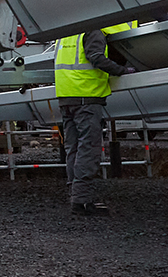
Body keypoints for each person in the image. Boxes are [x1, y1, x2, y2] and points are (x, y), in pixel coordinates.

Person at [54, 22, 138, 216]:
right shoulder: (93, 30)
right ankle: (82, 201)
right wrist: (122, 71)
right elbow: (96, 58)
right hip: (86, 97)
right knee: (88, 149)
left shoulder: (66, 32)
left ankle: (77, 198)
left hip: (66, 97)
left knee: (73, 148)